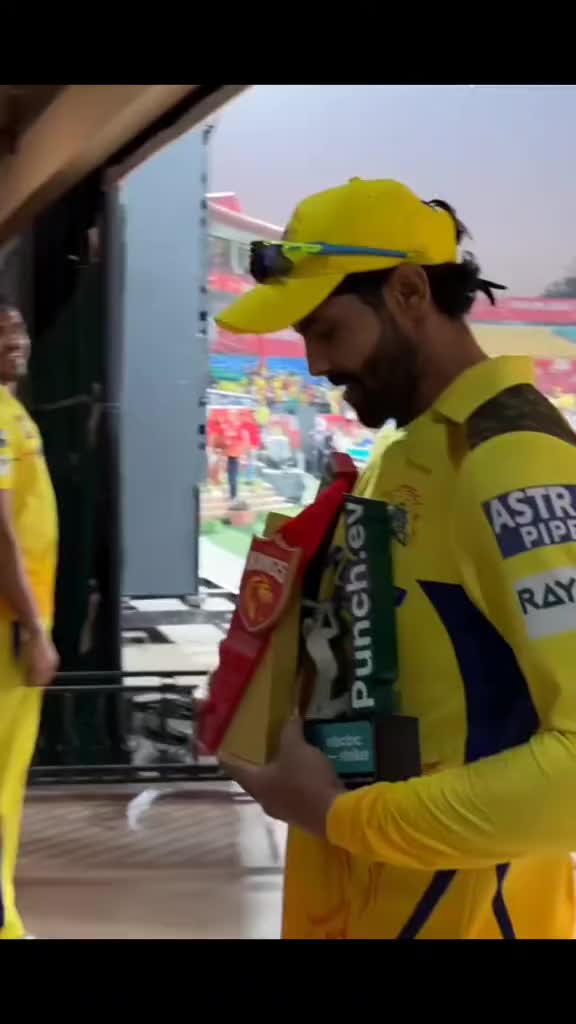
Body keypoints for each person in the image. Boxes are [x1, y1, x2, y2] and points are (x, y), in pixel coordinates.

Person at [214, 177, 576, 939]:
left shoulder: (514, 462)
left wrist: (337, 815)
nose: (315, 363)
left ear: (409, 292)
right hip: (373, 900)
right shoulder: (402, 453)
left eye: (327, 331)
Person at [0, 299, 59, 939]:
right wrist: (36, 630)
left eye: (17, 328)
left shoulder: (9, 410)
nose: (14, 338)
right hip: (8, 633)